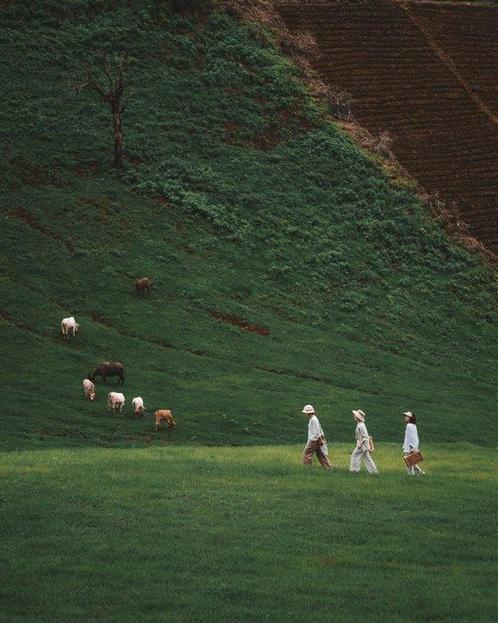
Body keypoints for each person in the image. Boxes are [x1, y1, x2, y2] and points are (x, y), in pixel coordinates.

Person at [302, 404, 332, 470]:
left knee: (307, 453)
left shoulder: (313, 420)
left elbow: (316, 432)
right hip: (316, 439)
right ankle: (328, 468)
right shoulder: (313, 419)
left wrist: (311, 441)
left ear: (308, 413)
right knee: (321, 454)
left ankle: (307, 468)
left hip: (314, 440)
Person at [349, 409, 378, 474]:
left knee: (355, 456)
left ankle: (354, 470)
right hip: (363, 445)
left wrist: (360, 444)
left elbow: (365, 437)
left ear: (357, 417)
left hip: (362, 446)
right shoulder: (360, 424)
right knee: (367, 459)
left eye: (355, 416)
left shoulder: (361, 426)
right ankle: (374, 472)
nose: (354, 416)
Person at [403, 411, 425, 475]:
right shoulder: (413, 425)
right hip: (411, 446)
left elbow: (412, 437)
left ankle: (412, 473)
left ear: (410, 418)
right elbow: (414, 437)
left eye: (407, 416)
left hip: (409, 446)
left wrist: (412, 447)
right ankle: (417, 472)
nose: (405, 417)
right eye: (405, 416)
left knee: (408, 461)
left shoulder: (409, 425)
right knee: (411, 461)